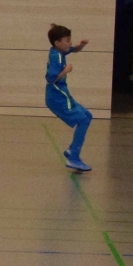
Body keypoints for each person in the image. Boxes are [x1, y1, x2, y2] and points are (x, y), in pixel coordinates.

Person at [45, 24, 93, 173]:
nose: (70, 43)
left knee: (87, 115)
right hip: (57, 97)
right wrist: (65, 71)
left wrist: (81, 45)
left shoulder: (59, 51)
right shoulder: (57, 57)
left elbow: (74, 49)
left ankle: (72, 150)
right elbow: (50, 79)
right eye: (67, 40)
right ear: (57, 43)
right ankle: (74, 157)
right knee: (83, 120)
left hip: (62, 94)